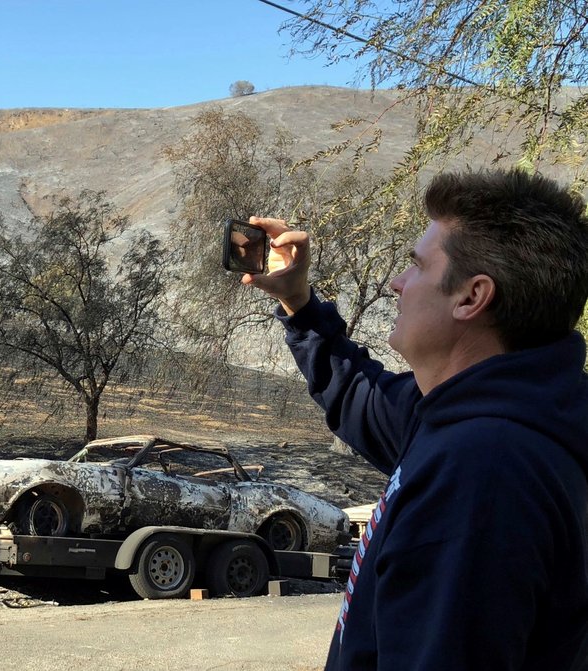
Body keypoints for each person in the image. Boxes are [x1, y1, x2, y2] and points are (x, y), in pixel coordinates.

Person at [241, 169, 588, 670]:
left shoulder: (483, 470)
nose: (396, 283)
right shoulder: (474, 414)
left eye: (417, 267)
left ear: (472, 297)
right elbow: (359, 393)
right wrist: (297, 302)